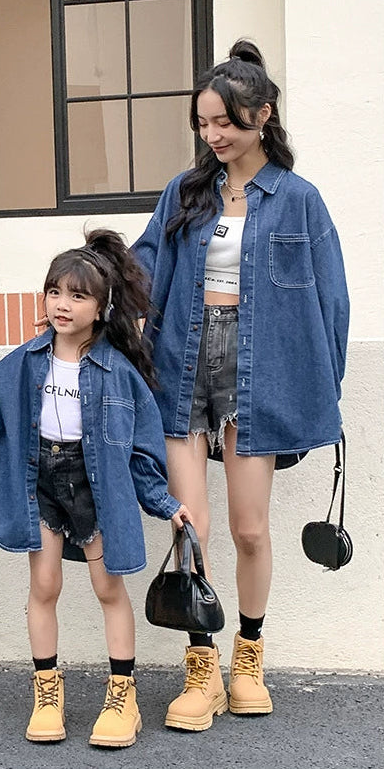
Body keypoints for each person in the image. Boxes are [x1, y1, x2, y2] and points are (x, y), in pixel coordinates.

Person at [132, 40, 349, 731]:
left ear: (262, 114)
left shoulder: (298, 201)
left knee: (249, 527)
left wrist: (318, 385)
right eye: (203, 123)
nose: (212, 135)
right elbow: (141, 265)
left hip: (260, 371)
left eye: (224, 121)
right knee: (188, 528)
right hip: (183, 363)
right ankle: (201, 669)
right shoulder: (184, 192)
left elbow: (331, 302)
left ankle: (247, 655)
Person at [0, 229, 191, 748]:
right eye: (55, 291)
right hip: (41, 481)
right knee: (45, 585)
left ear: (101, 308)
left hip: (97, 486)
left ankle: (123, 695)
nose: (62, 304)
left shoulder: (119, 372)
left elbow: (142, 452)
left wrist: (167, 505)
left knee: (107, 587)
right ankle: (47, 692)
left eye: (78, 295)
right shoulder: (29, 360)